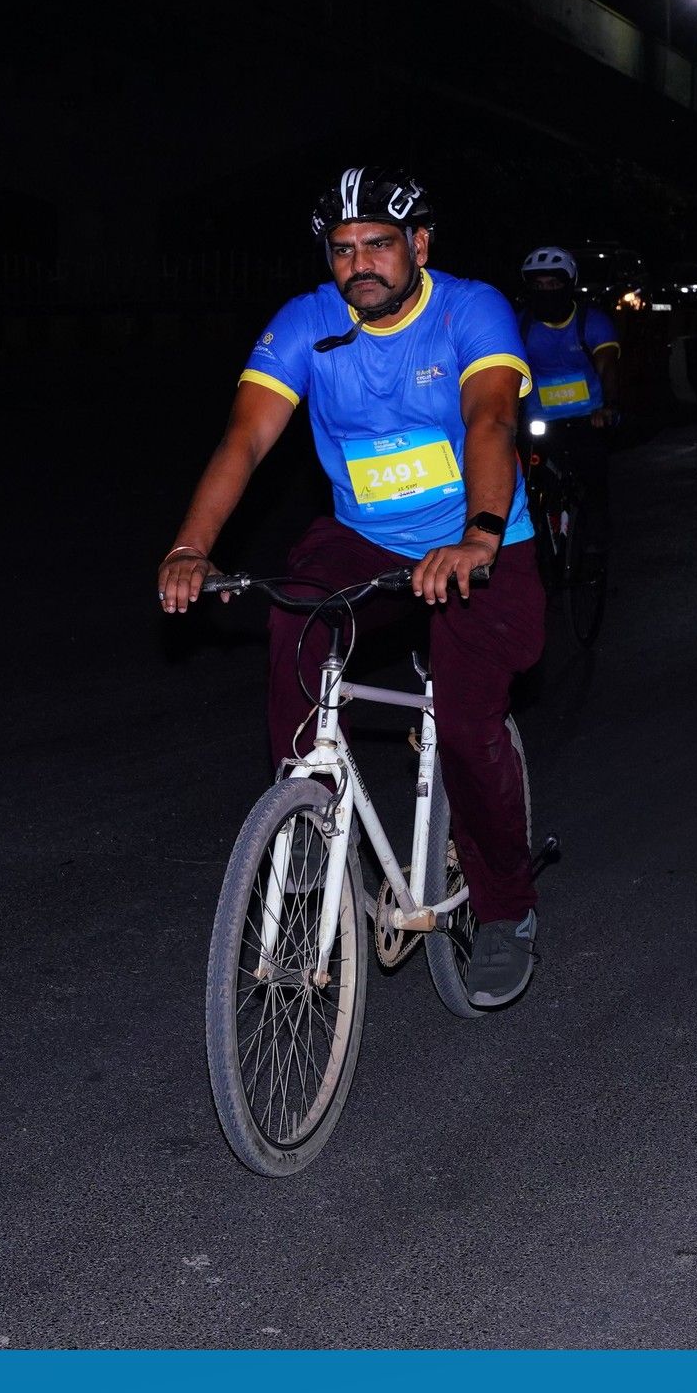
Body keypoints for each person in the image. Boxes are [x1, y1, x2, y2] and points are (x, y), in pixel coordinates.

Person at [155, 165, 551, 1007]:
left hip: (481, 538)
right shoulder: (306, 323)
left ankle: (507, 908)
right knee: (293, 618)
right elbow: (244, 439)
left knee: (468, 717)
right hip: (365, 537)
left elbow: (490, 418)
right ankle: (308, 810)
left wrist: (478, 536)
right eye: (342, 248)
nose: (359, 263)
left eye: (378, 243)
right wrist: (191, 546)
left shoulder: (470, 310)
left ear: (419, 245)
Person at [515, 244, 622, 534]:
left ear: (568, 285)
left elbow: (608, 367)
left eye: (553, 284)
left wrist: (609, 406)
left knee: (593, 484)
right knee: (527, 485)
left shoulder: (592, 322)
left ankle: (596, 542)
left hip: (588, 419)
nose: (545, 291)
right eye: (538, 286)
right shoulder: (521, 326)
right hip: (540, 424)